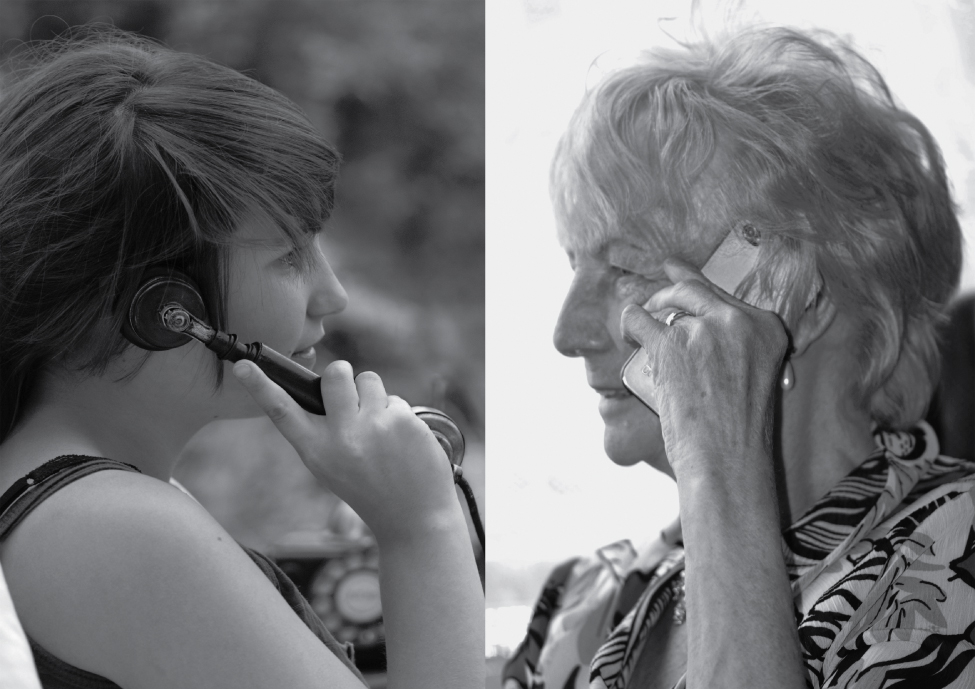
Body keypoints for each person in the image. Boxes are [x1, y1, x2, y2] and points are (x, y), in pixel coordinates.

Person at [0, 28, 482, 689]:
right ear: (161, 307)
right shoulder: (123, 529)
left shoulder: (78, 500)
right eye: (289, 256)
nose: (332, 295)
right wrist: (420, 527)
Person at [503, 26, 974, 689]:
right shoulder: (578, 601)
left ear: (794, 298)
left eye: (624, 269)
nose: (567, 331)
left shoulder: (953, 565)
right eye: (574, 264)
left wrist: (719, 465)